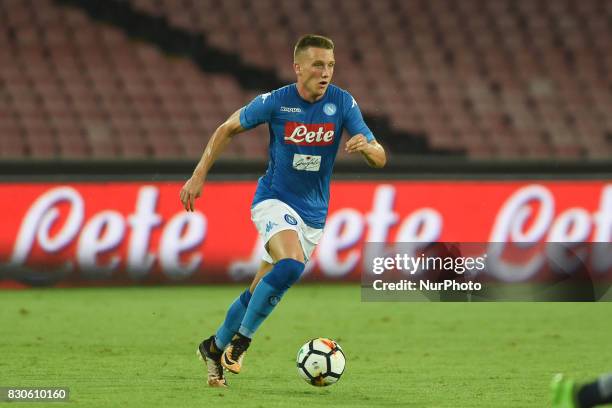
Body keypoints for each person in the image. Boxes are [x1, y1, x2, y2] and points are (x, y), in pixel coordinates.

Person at [180, 34, 386, 387]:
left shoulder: (343, 103)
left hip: (313, 216)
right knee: (290, 265)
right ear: (298, 67)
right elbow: (226, 128)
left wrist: (367, 148)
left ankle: (213, 348)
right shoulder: (277, 102)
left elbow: (380, 156)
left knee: (259, 288)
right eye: (319, 65)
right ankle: (241, 342)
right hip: (273, 200)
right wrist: (199, 175)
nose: (326, 73)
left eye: (331, 65)